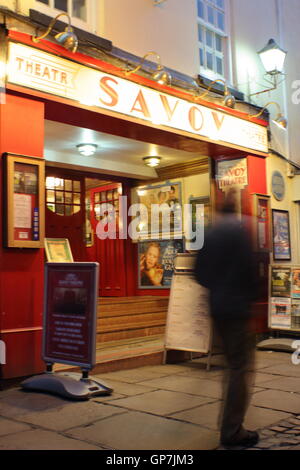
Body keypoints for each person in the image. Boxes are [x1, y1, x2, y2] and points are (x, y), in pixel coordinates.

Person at [194, 188, 259, 448]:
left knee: (229, 365)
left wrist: (217, 289)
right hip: (237, 310)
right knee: (239, 368)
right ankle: (232, 431)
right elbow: (250, 271)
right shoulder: (240, 232)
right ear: (238, 207)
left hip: (217, 307)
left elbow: (198, 272)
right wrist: (249, 300)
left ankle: (230, 426)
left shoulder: (210, 233)